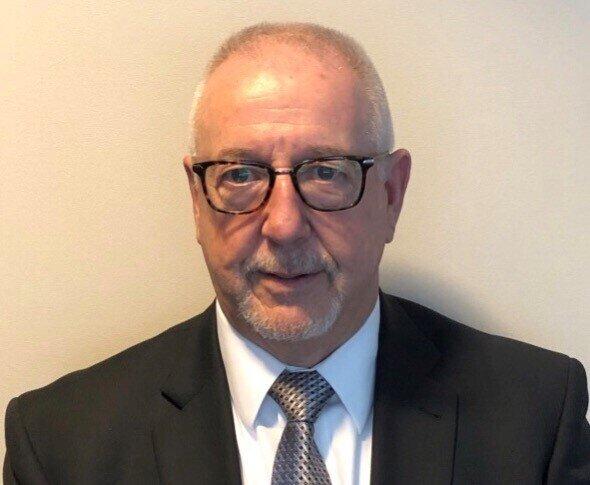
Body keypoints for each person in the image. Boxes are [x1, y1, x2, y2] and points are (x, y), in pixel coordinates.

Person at [4, 22, 589, 485]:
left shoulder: (536, 419)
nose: (284, 226)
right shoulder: (60, 446)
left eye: (326, 172)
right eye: (240, 174)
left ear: (391, 194)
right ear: (196, 200)